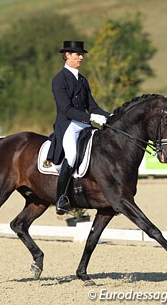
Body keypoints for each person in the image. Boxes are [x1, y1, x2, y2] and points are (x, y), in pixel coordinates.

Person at [46, 40, 109, 215]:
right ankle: (61, 198)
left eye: (81, 55)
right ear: (67, 56)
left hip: (84, 124)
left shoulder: (82, 80)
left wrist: (110, 116)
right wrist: (91, 117)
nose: (81, 57)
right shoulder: (59, 80)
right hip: (68, 125)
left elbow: (93, 106)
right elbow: (66, 109)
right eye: (77, 54)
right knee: (72, 156)